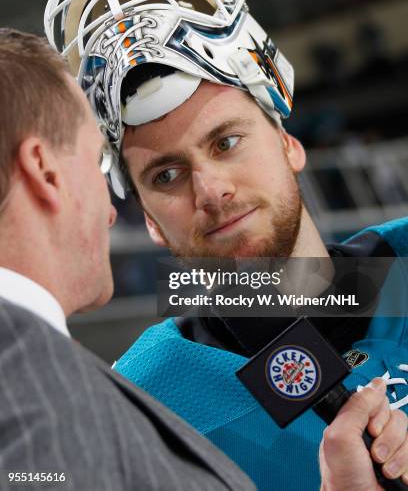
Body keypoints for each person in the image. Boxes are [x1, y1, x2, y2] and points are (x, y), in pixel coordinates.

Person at [44, 0, 408, 490]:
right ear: (149, 220)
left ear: (287, 142)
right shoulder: (139, 408)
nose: (209, 191)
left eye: (226, 143)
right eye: (166, 176)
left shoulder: (401, 258)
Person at [0, 28, 256, 491]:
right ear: (44, 170)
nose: (113, 208)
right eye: (97, 161)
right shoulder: (30, 392)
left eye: (228, 144)